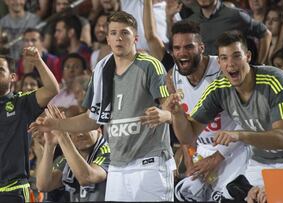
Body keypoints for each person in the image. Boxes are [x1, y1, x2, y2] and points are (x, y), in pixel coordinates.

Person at [29, 11, 175, 201]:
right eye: (113, 33)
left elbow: (171, 109)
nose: (119, 38)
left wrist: (165, 115)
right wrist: (55, 124)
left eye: (125, 33)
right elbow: (92, 118)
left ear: (136, 38)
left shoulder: (150, 66)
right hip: (117, 166)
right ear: (107, 39)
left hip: (150, 162)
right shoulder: (101, 70)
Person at [165, 31, 283, 187]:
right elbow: (188, 136)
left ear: (248, 57)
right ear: (220, 63)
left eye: (236, 56)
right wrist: (177, 113)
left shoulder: (275, 80)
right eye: (224, 58)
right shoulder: (219, 88)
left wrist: (238, 135)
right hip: (262, 161)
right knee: (234, 196)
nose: (231, 63)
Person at [142, 21, 250, 201]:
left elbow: (249, 121)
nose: (182, 53)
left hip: (234, 151)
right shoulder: (173, 76)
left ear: (201, 47)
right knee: (179, 195)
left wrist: (217, 158)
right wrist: (189, 155)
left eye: (188, 47)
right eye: (177, 48)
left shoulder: (225, 69)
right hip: (203, 152)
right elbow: (184, 122)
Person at [0, 47, 59, 202]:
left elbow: (52, 89)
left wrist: (38, 62)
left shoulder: (21, 102)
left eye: (0, 70)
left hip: (13, 191)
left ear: (12, 77)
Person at [35, 105, 110, 202]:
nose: (79, 134)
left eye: (84, 128)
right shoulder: (69, 156)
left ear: (98, 128)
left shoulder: (108, 151)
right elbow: (43, 185)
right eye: (74, 130)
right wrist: (49, 144)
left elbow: (87, 177)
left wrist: (62, 134)